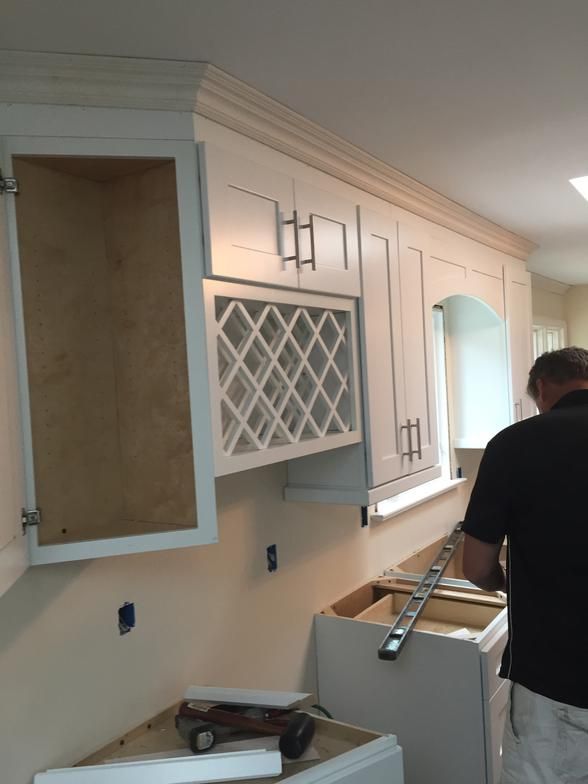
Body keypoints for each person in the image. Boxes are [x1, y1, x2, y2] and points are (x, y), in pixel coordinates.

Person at [462, 346, 588, 784]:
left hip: (556, 684)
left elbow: (477, 567)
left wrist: (506, 583)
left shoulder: (514, 444)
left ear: (541, 387)